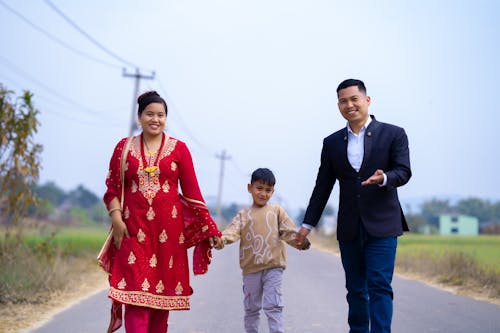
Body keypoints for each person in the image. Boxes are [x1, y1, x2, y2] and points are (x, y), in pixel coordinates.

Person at [295, 79, 412, 333]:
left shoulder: (394, 134)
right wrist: (307, 225)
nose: (349, 105)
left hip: (383, 226)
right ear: (338, 105)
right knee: (356, 289)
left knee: (379, 286)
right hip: (349, 227)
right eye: (343, 101)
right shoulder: (332, 142)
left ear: (367, 100)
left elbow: (403, 172)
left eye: (354, 99)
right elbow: (322, 186)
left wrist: (384, 178)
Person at [102, 90, 221, 333]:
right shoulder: (123, 148)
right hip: (132, 232)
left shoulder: (180, 150)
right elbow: (112, 188)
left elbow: (193, 194)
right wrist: (117, 220)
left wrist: (210, 227)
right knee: (135, 298)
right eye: (150, 114)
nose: (155, 119)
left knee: (160, 305)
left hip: (169, 238)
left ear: (166, 118)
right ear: (139, 117)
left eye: (161, 115)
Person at [214, 168, 310, 333]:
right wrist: (220, 240)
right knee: (251, 309)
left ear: (273, 191)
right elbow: (232, 232)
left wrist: (300, 241)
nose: (263, 193)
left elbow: (288, 231)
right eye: (259, 188)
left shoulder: (277, 212)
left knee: (274, 305)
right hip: (251, 269)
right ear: (250, 188)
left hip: (274, 267)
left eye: (268, 190)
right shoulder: (243, 215)